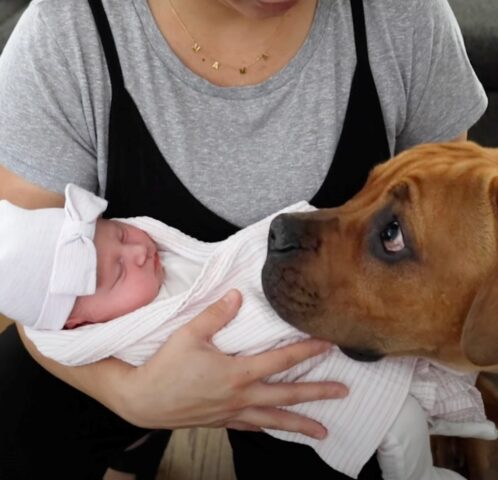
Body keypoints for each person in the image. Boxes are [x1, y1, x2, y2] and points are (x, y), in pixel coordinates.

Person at [0, 0, 487, 478]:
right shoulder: (67, 34)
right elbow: (30, 284)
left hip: (318, 365)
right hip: (130, 345)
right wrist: (133, 396)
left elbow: (455, 236)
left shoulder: (404, 15)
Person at [3, 183, 488, 480]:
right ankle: (134, 450)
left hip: (325, 287)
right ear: (81, 322)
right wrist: (135, 395)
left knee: (376, 436)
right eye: (116, 273)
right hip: (219, 362)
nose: (136, 253)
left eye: (123, 233)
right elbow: (37, 323)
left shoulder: (412, 30)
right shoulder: (65, 37)